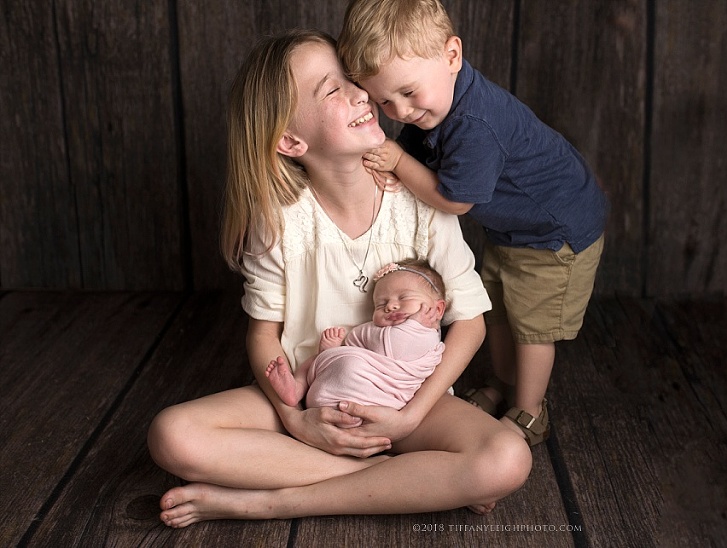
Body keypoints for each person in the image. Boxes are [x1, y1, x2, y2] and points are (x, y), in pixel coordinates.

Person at [146, 29, 531, 528]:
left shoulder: (419, 200)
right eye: (332, 90)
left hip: (406, 396)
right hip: (316, 394)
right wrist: (297, 421)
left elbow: (471, 323)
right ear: (289, 140)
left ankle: (272, 502)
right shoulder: (281, 222)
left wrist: (411, 417)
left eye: (353, 80)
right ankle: (403, 481)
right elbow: (263, 335)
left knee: (508, 457)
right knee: (171, 434)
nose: (360, 93)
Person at [337, 0, 608, 446]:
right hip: (512, 230)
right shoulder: (435, 103)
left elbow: (454, 199)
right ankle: (501, 386)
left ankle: (531, 410)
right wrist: (402, 159)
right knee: (496, 310)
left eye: (407, 92)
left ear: (452, 56)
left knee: (532, 325)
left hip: (556, 233)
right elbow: (414, 144)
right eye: (384, 100)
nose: (400, 110)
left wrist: (399, 161)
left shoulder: (477, 122)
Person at [266, 259, 447, 410]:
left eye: (404, 298)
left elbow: (385, 346)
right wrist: (333, 351)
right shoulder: (377, 329)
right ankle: (296, 389)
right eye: (380, 304)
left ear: (437, 309)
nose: (390, 306)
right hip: (334, 389)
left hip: (373, 399)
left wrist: (414, 322)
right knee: (313, 361)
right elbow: (356, 344)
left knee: (348, 362)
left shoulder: (426, 335)